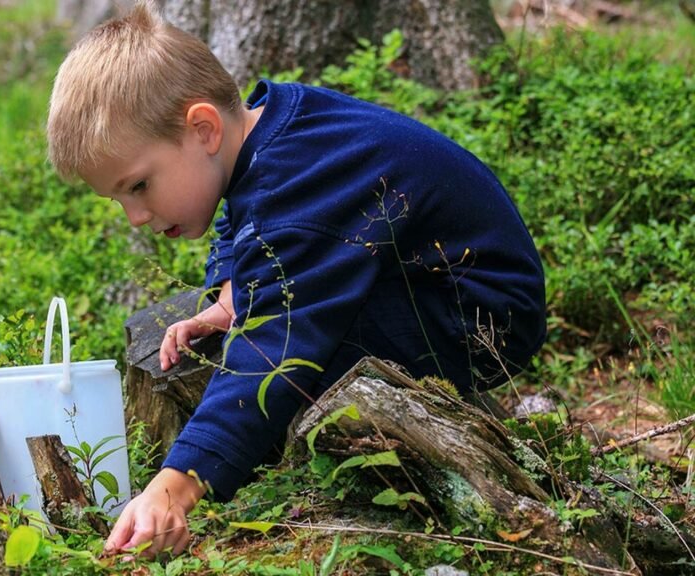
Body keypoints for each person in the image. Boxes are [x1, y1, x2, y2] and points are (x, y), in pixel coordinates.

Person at [46, 1, 546, 559]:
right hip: (425, 283)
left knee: (289, 368)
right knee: (260, 331)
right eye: (119, 199)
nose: (135, 216)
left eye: (137, 186)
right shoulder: (272, 130)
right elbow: (243, 213)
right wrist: (230, 297)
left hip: (478, 315)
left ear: (203, 129)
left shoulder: (296, 184)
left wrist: (177, 483)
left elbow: (274, 344)